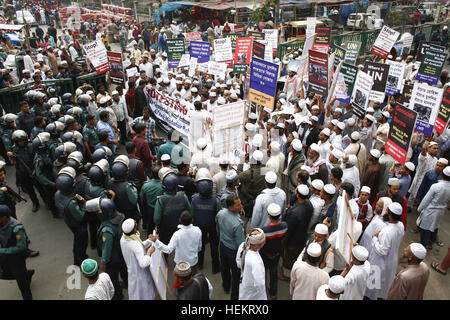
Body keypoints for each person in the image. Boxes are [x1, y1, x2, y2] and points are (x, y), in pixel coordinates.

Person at [365, 202, 405, 300]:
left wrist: (374, 238)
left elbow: (382, 251)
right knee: (383, 286)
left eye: (386, 210)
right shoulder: (400, 225)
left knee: (372, 288)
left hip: (380, 263)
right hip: (391, 260)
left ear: (390, 215)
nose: (385, 212)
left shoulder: (386, 232)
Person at [215, 194, 246, 300]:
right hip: (233, 251)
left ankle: (226, 286)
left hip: (223, 246)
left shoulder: (220, 213)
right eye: (238, 205)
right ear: (230, 207)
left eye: (240, 203)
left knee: (224, 267)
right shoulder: (237, 224)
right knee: (236, 275)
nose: (240, 206)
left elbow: (218, 229)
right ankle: (234, 296)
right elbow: (241, 244)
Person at [0, 205, 34, 300]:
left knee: (22, 283)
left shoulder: (16, 228)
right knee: (5, 274)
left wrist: (2, 251)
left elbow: (21, 247)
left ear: (4, 217)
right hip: (5, 255)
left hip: (16, 257)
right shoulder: (1, 223)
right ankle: (27, 274)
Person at [280, 184, 313, 281]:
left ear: (298, 195)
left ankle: (287, 276)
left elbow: (289, 229)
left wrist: (284, 242)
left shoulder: (294, 212)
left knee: (289, 258)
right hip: (302, 235)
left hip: (293, 239)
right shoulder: (309, 204)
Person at [191, 168, 221, 274]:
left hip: (199, 226)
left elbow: (192, 214)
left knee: (200, 245)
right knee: (214, 247)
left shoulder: (194, 199)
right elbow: (218, 215)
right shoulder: (215, 200)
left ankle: (200, 264)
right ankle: (215, 267)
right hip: (213, 226)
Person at [120, 218, 156, 300]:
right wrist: (149, 253)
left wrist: (149, 241)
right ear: (133, 230)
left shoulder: (123, 238)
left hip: (132, 271)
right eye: (136, 226)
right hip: (141, 273)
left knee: (135, 293)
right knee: (145, 294)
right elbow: (143, 263)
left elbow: (140, 247)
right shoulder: (135, 244)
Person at [417, 166, 450, 250]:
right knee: (435, 227)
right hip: (441, 211)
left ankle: (424, 246)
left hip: (431, 210)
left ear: (442, 174)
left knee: (425, 229)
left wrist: (419, 208)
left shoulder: (436, 186)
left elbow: (426, 199)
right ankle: (431, 243)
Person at [236, 228, 267, 300]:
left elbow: (238, 263)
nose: (265, 242)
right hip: (253, 292)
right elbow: (260, 283)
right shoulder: (256, 261)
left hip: (244, 282)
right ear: (259, 244)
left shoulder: (242, 245)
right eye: (264, 240)